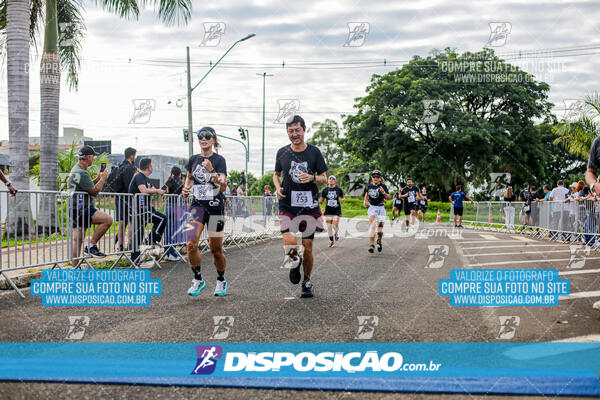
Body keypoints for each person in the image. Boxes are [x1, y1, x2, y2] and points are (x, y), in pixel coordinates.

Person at [274, 115, 327, 298]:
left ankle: (307, 280)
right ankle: (295, 262)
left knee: (308, 246)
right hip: (288, 204)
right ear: (287, 132)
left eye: (297, 130)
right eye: (291, 131)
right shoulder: (282, 152)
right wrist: (277, 187)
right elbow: (276, 174)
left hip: (309, 205)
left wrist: (312, 178)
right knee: (289, 241)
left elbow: (324, 178)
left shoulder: (314, 152)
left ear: (304, 130)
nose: (294, 134)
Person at [182, 126, 229, 297]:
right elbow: (189, 176)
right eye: (200, 136)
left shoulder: (219, 160)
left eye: (208, 136)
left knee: (215, 249)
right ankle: (198, 279)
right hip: (197, 206)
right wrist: (186, 188)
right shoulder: (193, 159)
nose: (204, 139)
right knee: (191, 244)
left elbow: (222, 185)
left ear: (213, 139)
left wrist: (211, 170)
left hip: (216, 208)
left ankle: (221, 279)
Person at [67, 145, 113, 267]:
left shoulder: (77, 170)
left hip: (76, 208)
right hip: (82, 208)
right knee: (107, 220)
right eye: (93, 156)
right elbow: (93, 191)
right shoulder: (81, 172)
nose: (94, 159)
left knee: (78, 240)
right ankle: (91, 245)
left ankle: (75, 267)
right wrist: (103, 179)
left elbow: (86, 186)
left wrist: (97, 178)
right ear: (88, 157)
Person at [128, 158, 168, 263]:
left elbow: (153, 189)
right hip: (140, 210)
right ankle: (147, 243)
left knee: (140, 233)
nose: (153, 167)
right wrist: (156, 190)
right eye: (152, 165)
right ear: (149, 167)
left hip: (147, 209)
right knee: (162, 219)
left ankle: (148, 242)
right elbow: (143, 190)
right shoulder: (139, 176)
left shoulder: (147, 179)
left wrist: (162, 191)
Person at [112, 147, 137, 252]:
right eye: (135, 155)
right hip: (128, 197)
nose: (135, 157)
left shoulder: (119, 167)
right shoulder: (130, 168)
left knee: (122, 222)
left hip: (119, 197)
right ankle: (130, 246)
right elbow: (130, 184)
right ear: (131, 156)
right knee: (131, 221)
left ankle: (121, 246)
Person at [363, 170, 390, 253]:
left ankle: (379, 241)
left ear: (380, 178)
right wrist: (365, 201)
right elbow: (367, 194)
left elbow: (388, 197)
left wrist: (383, 192)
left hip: (381, 209)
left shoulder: (383, 186)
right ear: (372, 178)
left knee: (380, 229)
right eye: (374, 176)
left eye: (377, 177)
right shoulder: (369, 186)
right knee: (373, 225)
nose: (375, 178)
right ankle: (371, 245)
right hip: (372, 208)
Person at [164, 166, 184, 261]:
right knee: (173, 231)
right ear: (179, 174)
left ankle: (166, 252)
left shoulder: (168, 181)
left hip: (167, 205)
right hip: (176, 206)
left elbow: (163, 190)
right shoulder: (180, 182)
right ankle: (171, 252)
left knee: (167, 230)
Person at [319, 175, 345, 247]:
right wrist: (318, 202)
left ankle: (336, 233)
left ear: (335, 181)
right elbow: (322, 199)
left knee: (335, 223)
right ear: (328, 181)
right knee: (329, 226)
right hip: (328, 210)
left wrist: (343, 199)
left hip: (336, 209)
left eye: (333, 179)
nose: (331, 180)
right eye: (330, 179)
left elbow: (342, 196)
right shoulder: (325, 190)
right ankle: (331, 241)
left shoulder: (338, 189)